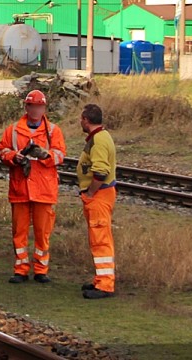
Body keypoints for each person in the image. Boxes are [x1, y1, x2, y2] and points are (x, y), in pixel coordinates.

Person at [0, 89, 66, 284]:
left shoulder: (53, 131)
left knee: (42, 232)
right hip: (20, 188)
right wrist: (14, 156)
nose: (36, 110)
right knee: (19, 231)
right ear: (26, 107)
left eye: (39, 106)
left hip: (44, 190)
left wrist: (45, 156)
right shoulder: (12, 130)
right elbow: (2, 151)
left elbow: (61, 155)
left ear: (44, 108)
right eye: (33, 106)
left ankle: (41, 269)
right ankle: (20, 269)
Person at [77, 102, 117, 298]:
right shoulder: (101, 136)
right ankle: (100, 280)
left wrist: (91, 193)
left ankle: (105, 285)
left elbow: (100, 171)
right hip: (101, 194)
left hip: (99, 195)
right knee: (98, 238)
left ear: (86, 120)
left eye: (81, 118)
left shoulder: (98, 141)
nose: (80, 122)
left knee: (100, 239)